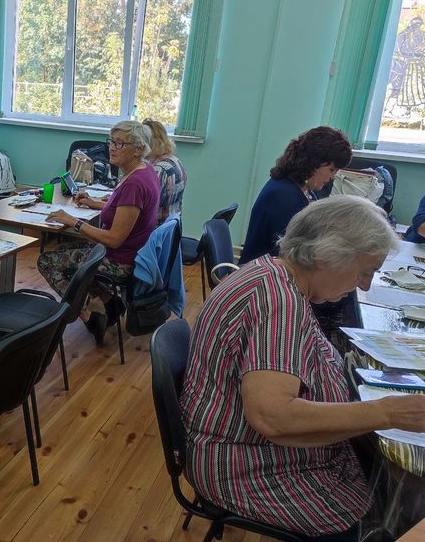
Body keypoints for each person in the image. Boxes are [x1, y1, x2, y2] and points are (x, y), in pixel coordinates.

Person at [182, 196, 425, 541]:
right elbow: (274, 418)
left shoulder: (273, 273)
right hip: (246, 466)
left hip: (246, 449)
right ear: (326, 257)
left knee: (385, 474)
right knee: (387, 504)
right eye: (364, 272)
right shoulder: (278, 303)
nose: (365, 286)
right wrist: (386, 412)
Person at [37, 121, 160, 343]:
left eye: (120, 143)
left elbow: (114, 239)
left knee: (47, 261)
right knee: (69, 255)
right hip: (130, 253)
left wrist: (73, 221)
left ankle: (89, 316)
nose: (112, 148)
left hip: (120, 260)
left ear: (138, 149)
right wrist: (94, 203)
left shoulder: (134, 184)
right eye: (111, 141)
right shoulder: (144, 171)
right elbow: (125, 211)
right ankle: (109, 301)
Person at [239, 126, 353, 265]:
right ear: (314, 162)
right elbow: (288, 254)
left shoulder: (301, 188)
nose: (333, 176)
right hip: (263, 277)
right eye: (331, 169)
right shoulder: (284, 196)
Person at [143, 118, 186, 225]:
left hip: (155, 230)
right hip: (171, 229)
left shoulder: (159, 170)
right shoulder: (175, 161)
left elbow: (142, 209)